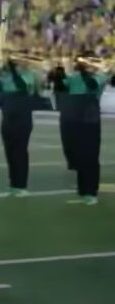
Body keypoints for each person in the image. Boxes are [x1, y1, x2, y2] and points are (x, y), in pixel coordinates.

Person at [49, 56, 111, 205]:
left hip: (89, 120)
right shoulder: (75, 77)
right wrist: (58, 72)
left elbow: (91, 85)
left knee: (89, 156)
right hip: (72, 119)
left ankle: (91, 192)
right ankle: (83, 189)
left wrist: (84, 70)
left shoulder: (102, 75)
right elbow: (61, 87)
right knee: (74, 153)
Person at [0, 55, 43, 196]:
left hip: (22, 118)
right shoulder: (6, 75)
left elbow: (21, 86)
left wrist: (13, 70)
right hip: (7, 117)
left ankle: (21, 185)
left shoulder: (30, 75)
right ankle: (13, 184)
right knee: (9, 152)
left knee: (20, 151)